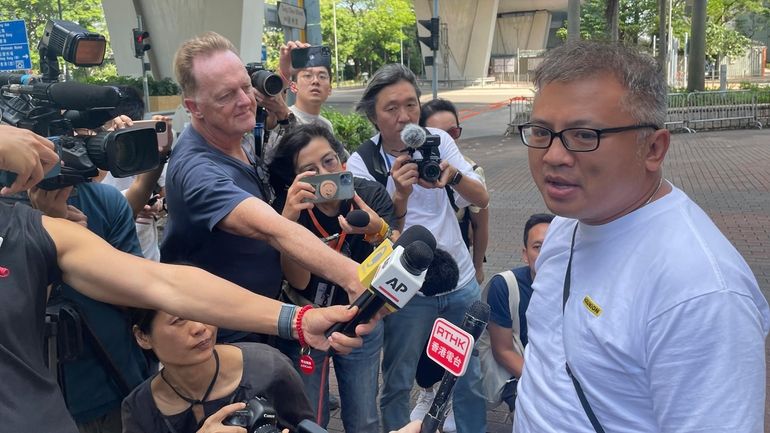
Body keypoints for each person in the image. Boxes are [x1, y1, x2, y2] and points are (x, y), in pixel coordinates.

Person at [0, 124, 371, 433]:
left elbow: (164, 285)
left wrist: (298, 320)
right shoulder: (143, 408)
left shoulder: (26, 229)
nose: (198, 329)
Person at [514, 41, 770, 432]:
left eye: (584, 135)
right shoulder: (568, 223)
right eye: (541, 132)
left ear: (653, 147)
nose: (553, 155)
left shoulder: (700, 291)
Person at [162, 32, 366, 343]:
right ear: (194, 107)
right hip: (223, 339)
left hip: (268, 319)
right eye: (225, 95)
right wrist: (354, 276)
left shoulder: (233, 133)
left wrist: (283, 74)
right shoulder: (196, 170)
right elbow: (274, 230)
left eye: (246, 86)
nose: (245, 101)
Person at [346, 63, 490, 433]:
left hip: (459, 280)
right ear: (374, 117)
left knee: (466, 376)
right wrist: (400, 195)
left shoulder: (438, 140)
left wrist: (452, 175)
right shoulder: (362, 162)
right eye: (391, 108)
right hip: (406, 289)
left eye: (410, 105)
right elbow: (375, 235)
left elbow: (482, 197)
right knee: (398, 380)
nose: (404, 116)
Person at [268, 124, 395, 431]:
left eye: (328, 161)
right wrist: (288, 223)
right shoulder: (288, 210)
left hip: (361, 319)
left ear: (342, 161)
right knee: (310, 416)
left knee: (364, 416)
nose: (324, 173)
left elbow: (394, 258)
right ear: (294, 178)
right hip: (308, 318)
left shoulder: (368, 195)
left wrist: (377, 230)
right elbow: (298, 282)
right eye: (309, 169)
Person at [28, 179, 150, 433]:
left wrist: (86, 248)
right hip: (31, 401)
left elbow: (137, 296)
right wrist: (44, 235)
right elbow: (16, 313)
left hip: (117, 385)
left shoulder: (104, 201)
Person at [122, 307, 314, 433]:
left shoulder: (269, 368)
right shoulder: (140, 408)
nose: (199, 327)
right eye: (178, 320)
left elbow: (309, 427)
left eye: (201, 311)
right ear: (142, 336)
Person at [419, 98, 489, 284]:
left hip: (459, 264)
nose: (448, 140)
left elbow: (480, 225)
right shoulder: (410, 169)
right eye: (439, 134)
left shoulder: (471, 171)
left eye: (453, 132)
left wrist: (478, 267)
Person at [260, 41, 335, 163]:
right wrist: (284, 72)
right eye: (307, 76)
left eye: (322, 76)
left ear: (330, 89)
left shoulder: (326, 126)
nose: (315, 81)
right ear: (293, 87)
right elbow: (275, 102)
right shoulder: (279, 118)